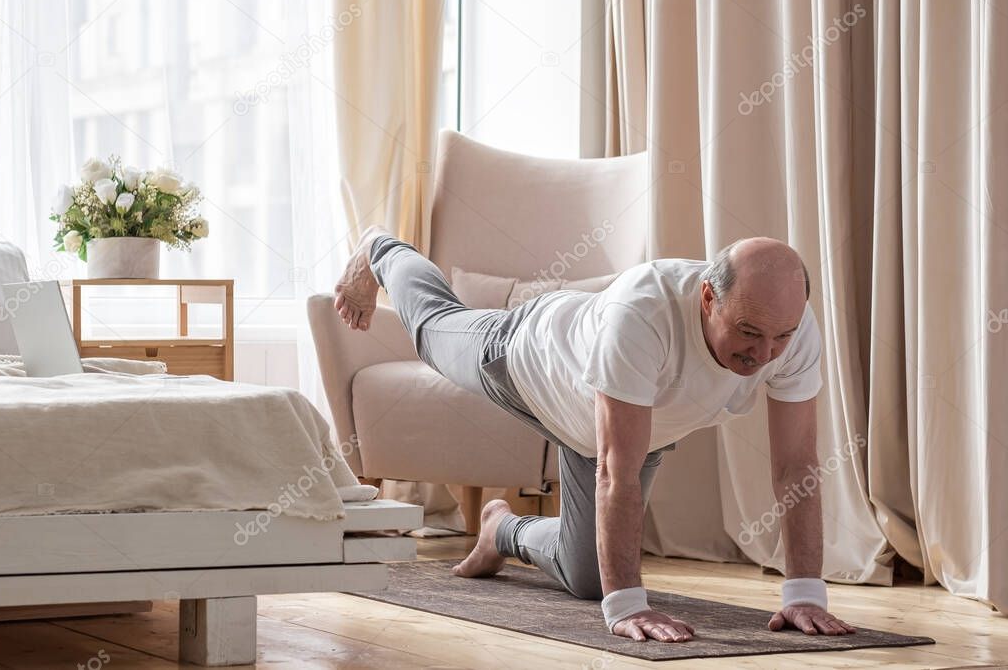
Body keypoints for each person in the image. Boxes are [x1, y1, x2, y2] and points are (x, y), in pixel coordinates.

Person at [333, 226, 857, 643]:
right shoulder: (642, 313)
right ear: (707, 298)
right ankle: (383, 248)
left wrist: (805, 593)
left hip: (620, 426)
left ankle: (501, 530)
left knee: (587, 578)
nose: (765, 354)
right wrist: (629, 607)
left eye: (780, 336)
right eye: (748, 332)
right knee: (431, 330)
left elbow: (795, 464)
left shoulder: (794, 328)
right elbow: (617, 471)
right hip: (527, 361)